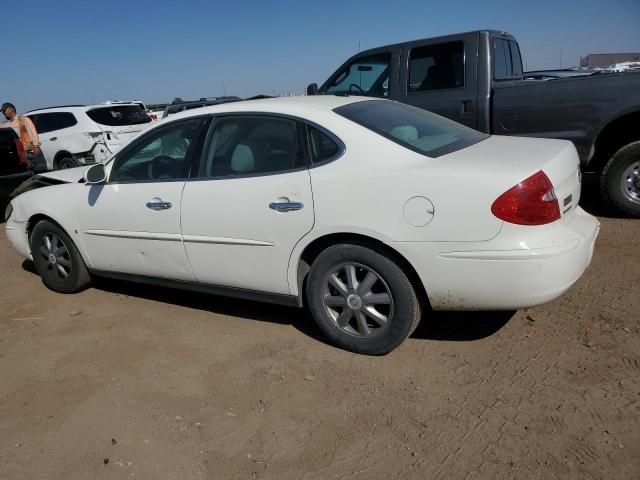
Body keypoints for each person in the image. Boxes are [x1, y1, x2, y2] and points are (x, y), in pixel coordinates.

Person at [1, 102, 46, 171]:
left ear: (11, 109)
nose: (3, 113)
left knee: (36, 172)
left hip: (28, 152)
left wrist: (36, 146)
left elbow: (33, 132)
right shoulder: (4, 124)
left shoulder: (23, 120)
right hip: (16, 153)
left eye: (4, 111)